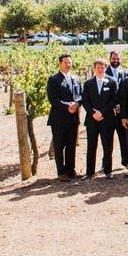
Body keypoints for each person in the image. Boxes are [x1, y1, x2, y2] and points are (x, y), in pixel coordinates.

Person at [81, 58, 119, 180]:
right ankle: (89, 172)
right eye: (98, 67)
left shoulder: (112, 82)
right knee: (91, 146)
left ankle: (108, 171)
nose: (101, 69)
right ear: (94, 69)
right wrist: (93, 113)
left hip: (107, 119)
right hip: (92, 120)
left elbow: (114, 100)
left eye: (103, 67)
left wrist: (102, 112)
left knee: (107, 146)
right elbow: (85, 101)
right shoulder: (88, 83)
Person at [46, 54, 81, 182]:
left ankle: (71, 171)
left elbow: (80, 95)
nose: (68, 65)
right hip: (59, 119)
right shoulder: (53, 79)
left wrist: (77, 103)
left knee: (71, 146)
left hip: (73, 119)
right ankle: (61, 172)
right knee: (59, 146)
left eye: (70, 62)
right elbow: (53, 99)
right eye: (65, 62)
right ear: (60, 63)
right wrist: (68, 106)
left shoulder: (76, 78)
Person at [105, 51, 128, 170]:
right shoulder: (104, 72)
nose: (115, 60)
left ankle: (126, 161)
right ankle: (106, 164)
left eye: (117, 58)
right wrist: (113, 105)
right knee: (107, 140)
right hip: (108, 112)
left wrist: (120, 106)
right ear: (110, 59)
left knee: (124, 138)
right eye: (113, 58)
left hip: (122, 112)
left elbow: (127, 94)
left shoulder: (127, 73)